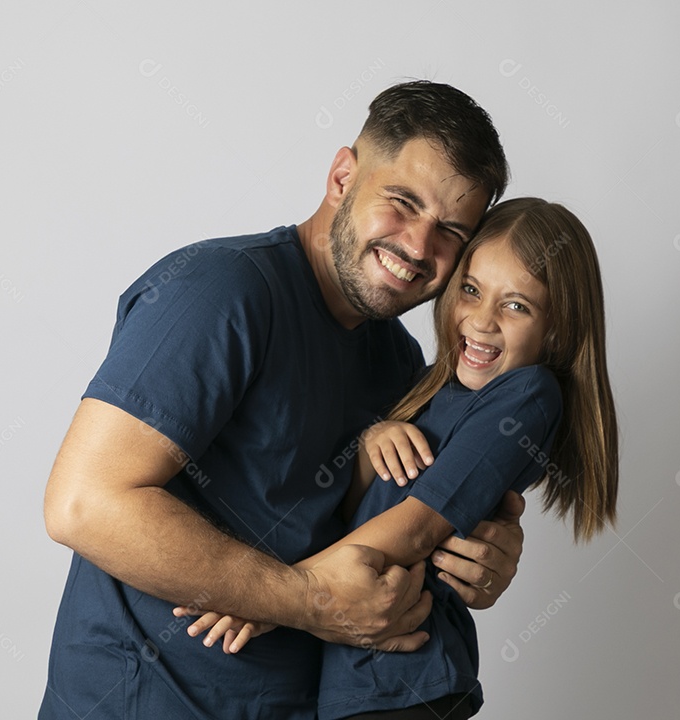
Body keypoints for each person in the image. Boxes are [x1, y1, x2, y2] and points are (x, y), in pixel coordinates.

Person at [39, 81, 529, 720]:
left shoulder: (402, 365)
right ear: (342, 177)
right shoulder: (222, 292)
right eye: (402, 203)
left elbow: (380, 540)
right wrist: (308, 599)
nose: (417, 245)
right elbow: (84, 504)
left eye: (450, 232)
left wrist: (476, 552)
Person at [178, 198, 620, 719]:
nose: (481, 321)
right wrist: (373, 444)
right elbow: (348, 517)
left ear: (560, 329)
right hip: (350, 682)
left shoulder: (528, 395)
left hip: (410, 680)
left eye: (516, 305)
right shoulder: (429, 389)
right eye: (472, 291)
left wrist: (271, 602)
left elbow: (415, 529)